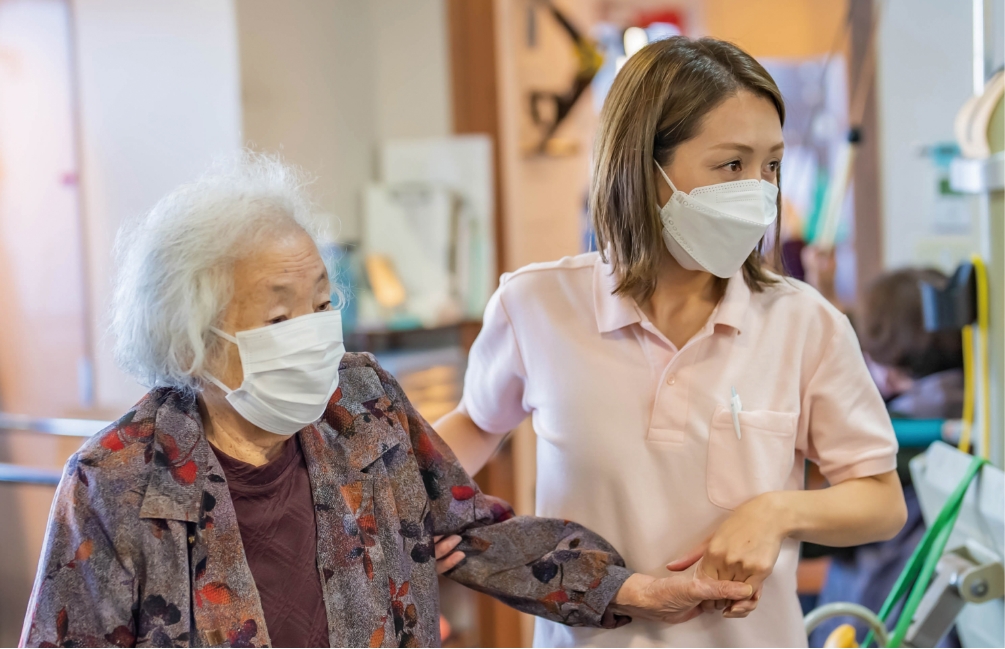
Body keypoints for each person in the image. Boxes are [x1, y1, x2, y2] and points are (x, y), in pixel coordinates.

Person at [19, 156, 754, 648]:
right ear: (194, 346)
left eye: (320, 302)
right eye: (279, 318)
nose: (314, 335)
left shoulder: (362, 403)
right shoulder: (114, 482)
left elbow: (475, 531)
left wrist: (632, 587)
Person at [435, 36, 907, 647]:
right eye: (730, 165)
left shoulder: (803, 324)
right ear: (643, 167)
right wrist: (402, 503)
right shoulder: (536, 306)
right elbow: (476, 422)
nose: (759, 191)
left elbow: (881, 500)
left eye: (771, 165)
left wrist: (777, 511)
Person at [810, 268, 964, 646]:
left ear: (890, 368)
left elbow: (820, 537)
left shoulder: (898, 436)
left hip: (873, 616)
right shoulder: (970, 404)